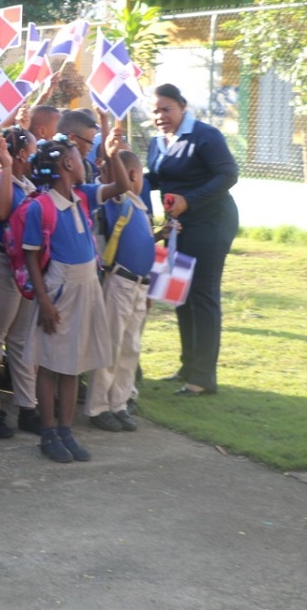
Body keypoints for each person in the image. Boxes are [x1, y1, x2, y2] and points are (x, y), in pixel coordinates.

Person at [25, 132, 128, 463]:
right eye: (77, 155)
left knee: (73, 364)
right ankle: (48, 432)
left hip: (87, 285)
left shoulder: (83, 196)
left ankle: (66, 430)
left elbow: (121, 187)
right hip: (60, 287)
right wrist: (43, 301)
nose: (84, 161)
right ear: (68, 163)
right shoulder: (40, 206)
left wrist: (112, 155)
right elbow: (31, 259)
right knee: (51, 363)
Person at [147, 83, 239, 397]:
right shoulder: (156, 141)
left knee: (202, 294)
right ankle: (187, 366)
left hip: (211, 223)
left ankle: (203, 378)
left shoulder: (205, 135)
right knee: (177, 294)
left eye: (166, 108)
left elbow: (228, 174)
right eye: (156, 110)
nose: (160, 116)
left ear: (182, 106)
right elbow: (157, 179)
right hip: (177, 227)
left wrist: (191, 200)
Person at [0, 127, 42, 439]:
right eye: (31, 150)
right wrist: (5, 168)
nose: (35, 156)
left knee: (20, 339)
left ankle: (28, 406)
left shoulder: (28, 184)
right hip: (1, 264)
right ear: (21, 154)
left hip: (25, 268)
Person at [86, 149, 154, 432]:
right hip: (120, 282)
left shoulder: (139, 206)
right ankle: (99, 406)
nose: (103, 180)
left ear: (134, 175)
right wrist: (112, 150)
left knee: (131, 347)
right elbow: (117, 186)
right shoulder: (119, 199)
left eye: (108, 175)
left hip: (140, 284)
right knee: (111, 345)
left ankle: (120, 402)